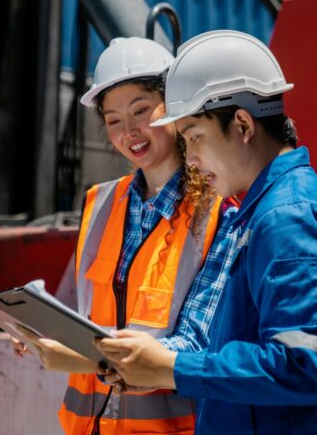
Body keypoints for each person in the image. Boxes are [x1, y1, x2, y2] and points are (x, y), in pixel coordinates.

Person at [95, 30, 317, 434]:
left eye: (195, 137)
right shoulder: (268, 209)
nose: (193, 157)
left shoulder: (287, 218)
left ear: (242, 124)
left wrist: (172, 367)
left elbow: (304, 366)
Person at [14, 36, 239, 435]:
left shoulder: (217, 211)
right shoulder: (99, 204)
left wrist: (85, 358)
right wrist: (38, 329)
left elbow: (198, 345)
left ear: (174, 108)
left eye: (141, 111)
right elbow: (76, 310)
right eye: (114, 120)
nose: (130, 131)